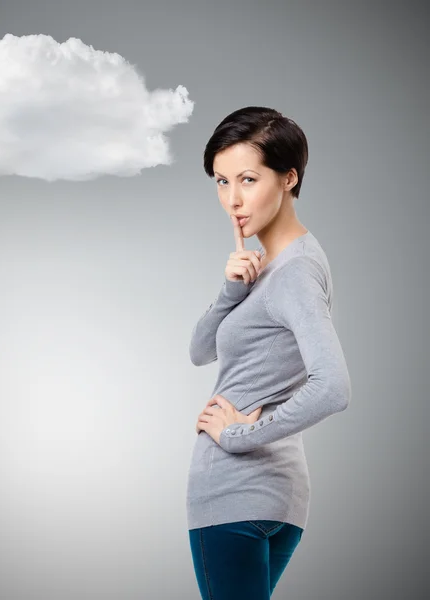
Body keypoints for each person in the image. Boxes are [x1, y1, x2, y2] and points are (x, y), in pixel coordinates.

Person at [187, 106, 351, 599]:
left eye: (248, 179)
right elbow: (199, 352)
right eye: (220, 181)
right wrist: (230, 289)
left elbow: (333, 387)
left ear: (289, 178)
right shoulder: (281, 265)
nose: (232, 200)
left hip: (235, 493)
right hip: (275, 497)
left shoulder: (295, 272)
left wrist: (239, 436)